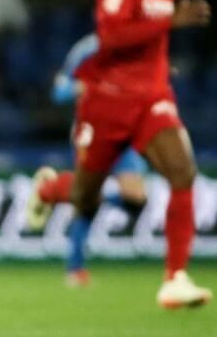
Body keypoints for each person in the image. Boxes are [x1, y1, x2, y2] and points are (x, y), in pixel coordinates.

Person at [65, 0, 212, 308]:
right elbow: (110, 37)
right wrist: (169, 23)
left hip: (151, 98)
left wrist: (161, 65)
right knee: (83, 197)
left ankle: (175, 278)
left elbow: (150, 43)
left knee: (183, 171)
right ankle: (47, 188)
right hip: (107, 101)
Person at [25, 33, 148, 287]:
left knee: (136, 199)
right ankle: (75, 269)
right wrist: (90, 86)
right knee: (87, 204)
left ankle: (52, 189)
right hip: (93, 129)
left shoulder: (139, 47)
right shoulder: (87, 49)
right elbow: (60, 92)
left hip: (127, 129)